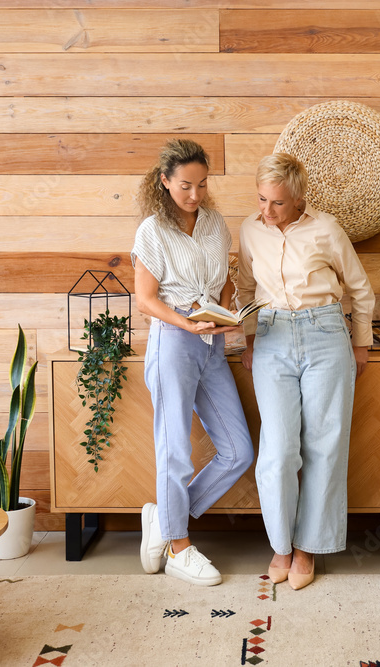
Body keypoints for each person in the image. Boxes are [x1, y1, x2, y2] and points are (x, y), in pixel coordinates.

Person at [236, 153, 375, 591]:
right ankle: (280, 543)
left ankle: (307, 548)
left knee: (324, 446)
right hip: (272, 337)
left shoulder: (326, 229)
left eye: (277, 203)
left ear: (298, 199)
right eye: (262, 199)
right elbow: (243, 287)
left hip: (326, 334)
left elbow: (360, 288)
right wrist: (249, 340)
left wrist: (362, 343)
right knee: (277, 452)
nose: (267, 210)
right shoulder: (249, 230)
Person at [132, 139, 253, 586]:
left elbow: (224, 281)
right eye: (185, 185)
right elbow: (145, 300)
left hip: (212, 343)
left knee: (239, 451)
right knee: (175, 451)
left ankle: (164, 518)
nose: (195, 194)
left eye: (202, 185)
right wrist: (187, 326)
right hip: (174, 342)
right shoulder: (152, 231)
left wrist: (225, 315)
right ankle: (178, 546)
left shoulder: (216, 223)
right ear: (164, 182)